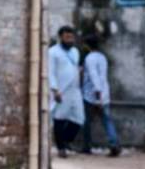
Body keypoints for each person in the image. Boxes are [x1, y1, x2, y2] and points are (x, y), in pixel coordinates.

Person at [81, 34, 121, 157]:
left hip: (92, 95)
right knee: (107, 120)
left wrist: (97, 96)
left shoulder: (90, 58)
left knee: (86, 122)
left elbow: (94, 76)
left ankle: (87, 146)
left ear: (87, 45)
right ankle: (114, 144)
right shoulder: (102, 57)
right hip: (104, 94)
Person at [48, 26, 84, 158]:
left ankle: (65, 141)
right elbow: (50, 72)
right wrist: (54, 89)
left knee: (79, 119)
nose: (70, 39)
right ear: (61, 37)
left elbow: (75, 67)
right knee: (60, 118)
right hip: (61, 90)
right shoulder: (52, 52)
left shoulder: (75, 51)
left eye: (72, 37)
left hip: (75, 89)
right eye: (67, 37)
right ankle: (61, 148)